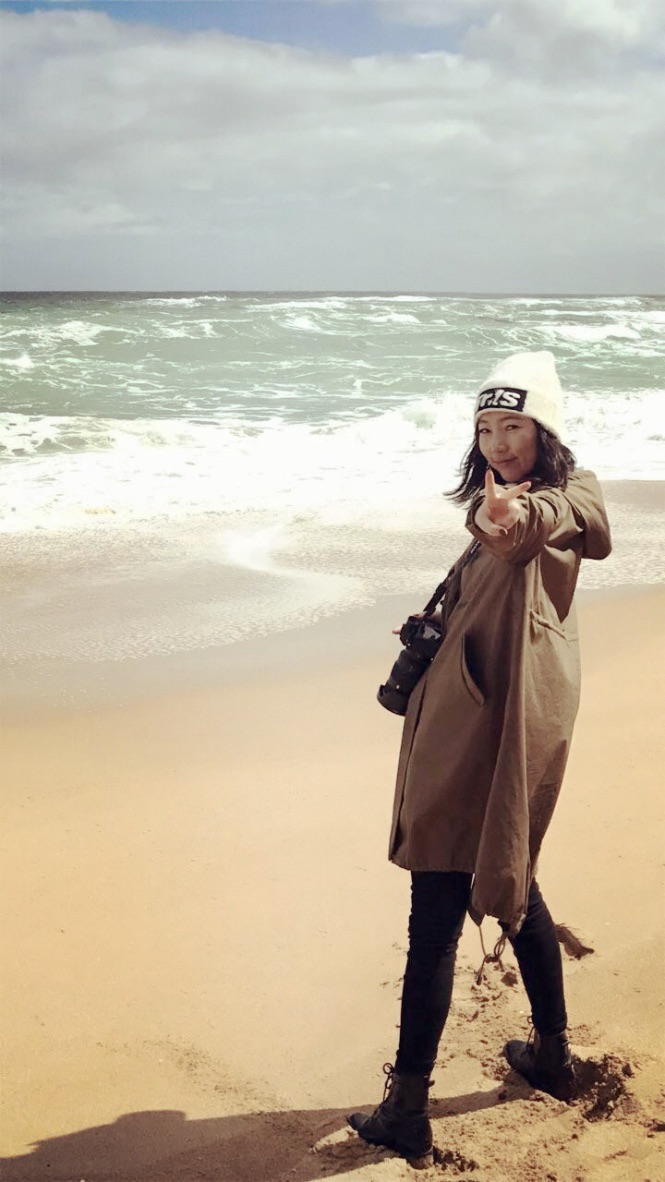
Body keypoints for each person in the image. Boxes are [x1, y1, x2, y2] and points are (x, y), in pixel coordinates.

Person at [347, 351, 612, 1166]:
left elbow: (550, 525)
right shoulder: (498, 510)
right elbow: (495, 577)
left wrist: (507, 517)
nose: (497, 443)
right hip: (477, 724)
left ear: (544, 431)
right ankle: (552, 1055)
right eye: (485, 427)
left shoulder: (557, 502)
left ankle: (406, 1107)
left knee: (434, 909)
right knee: (514, 882)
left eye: (514, 426)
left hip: (478, 739)